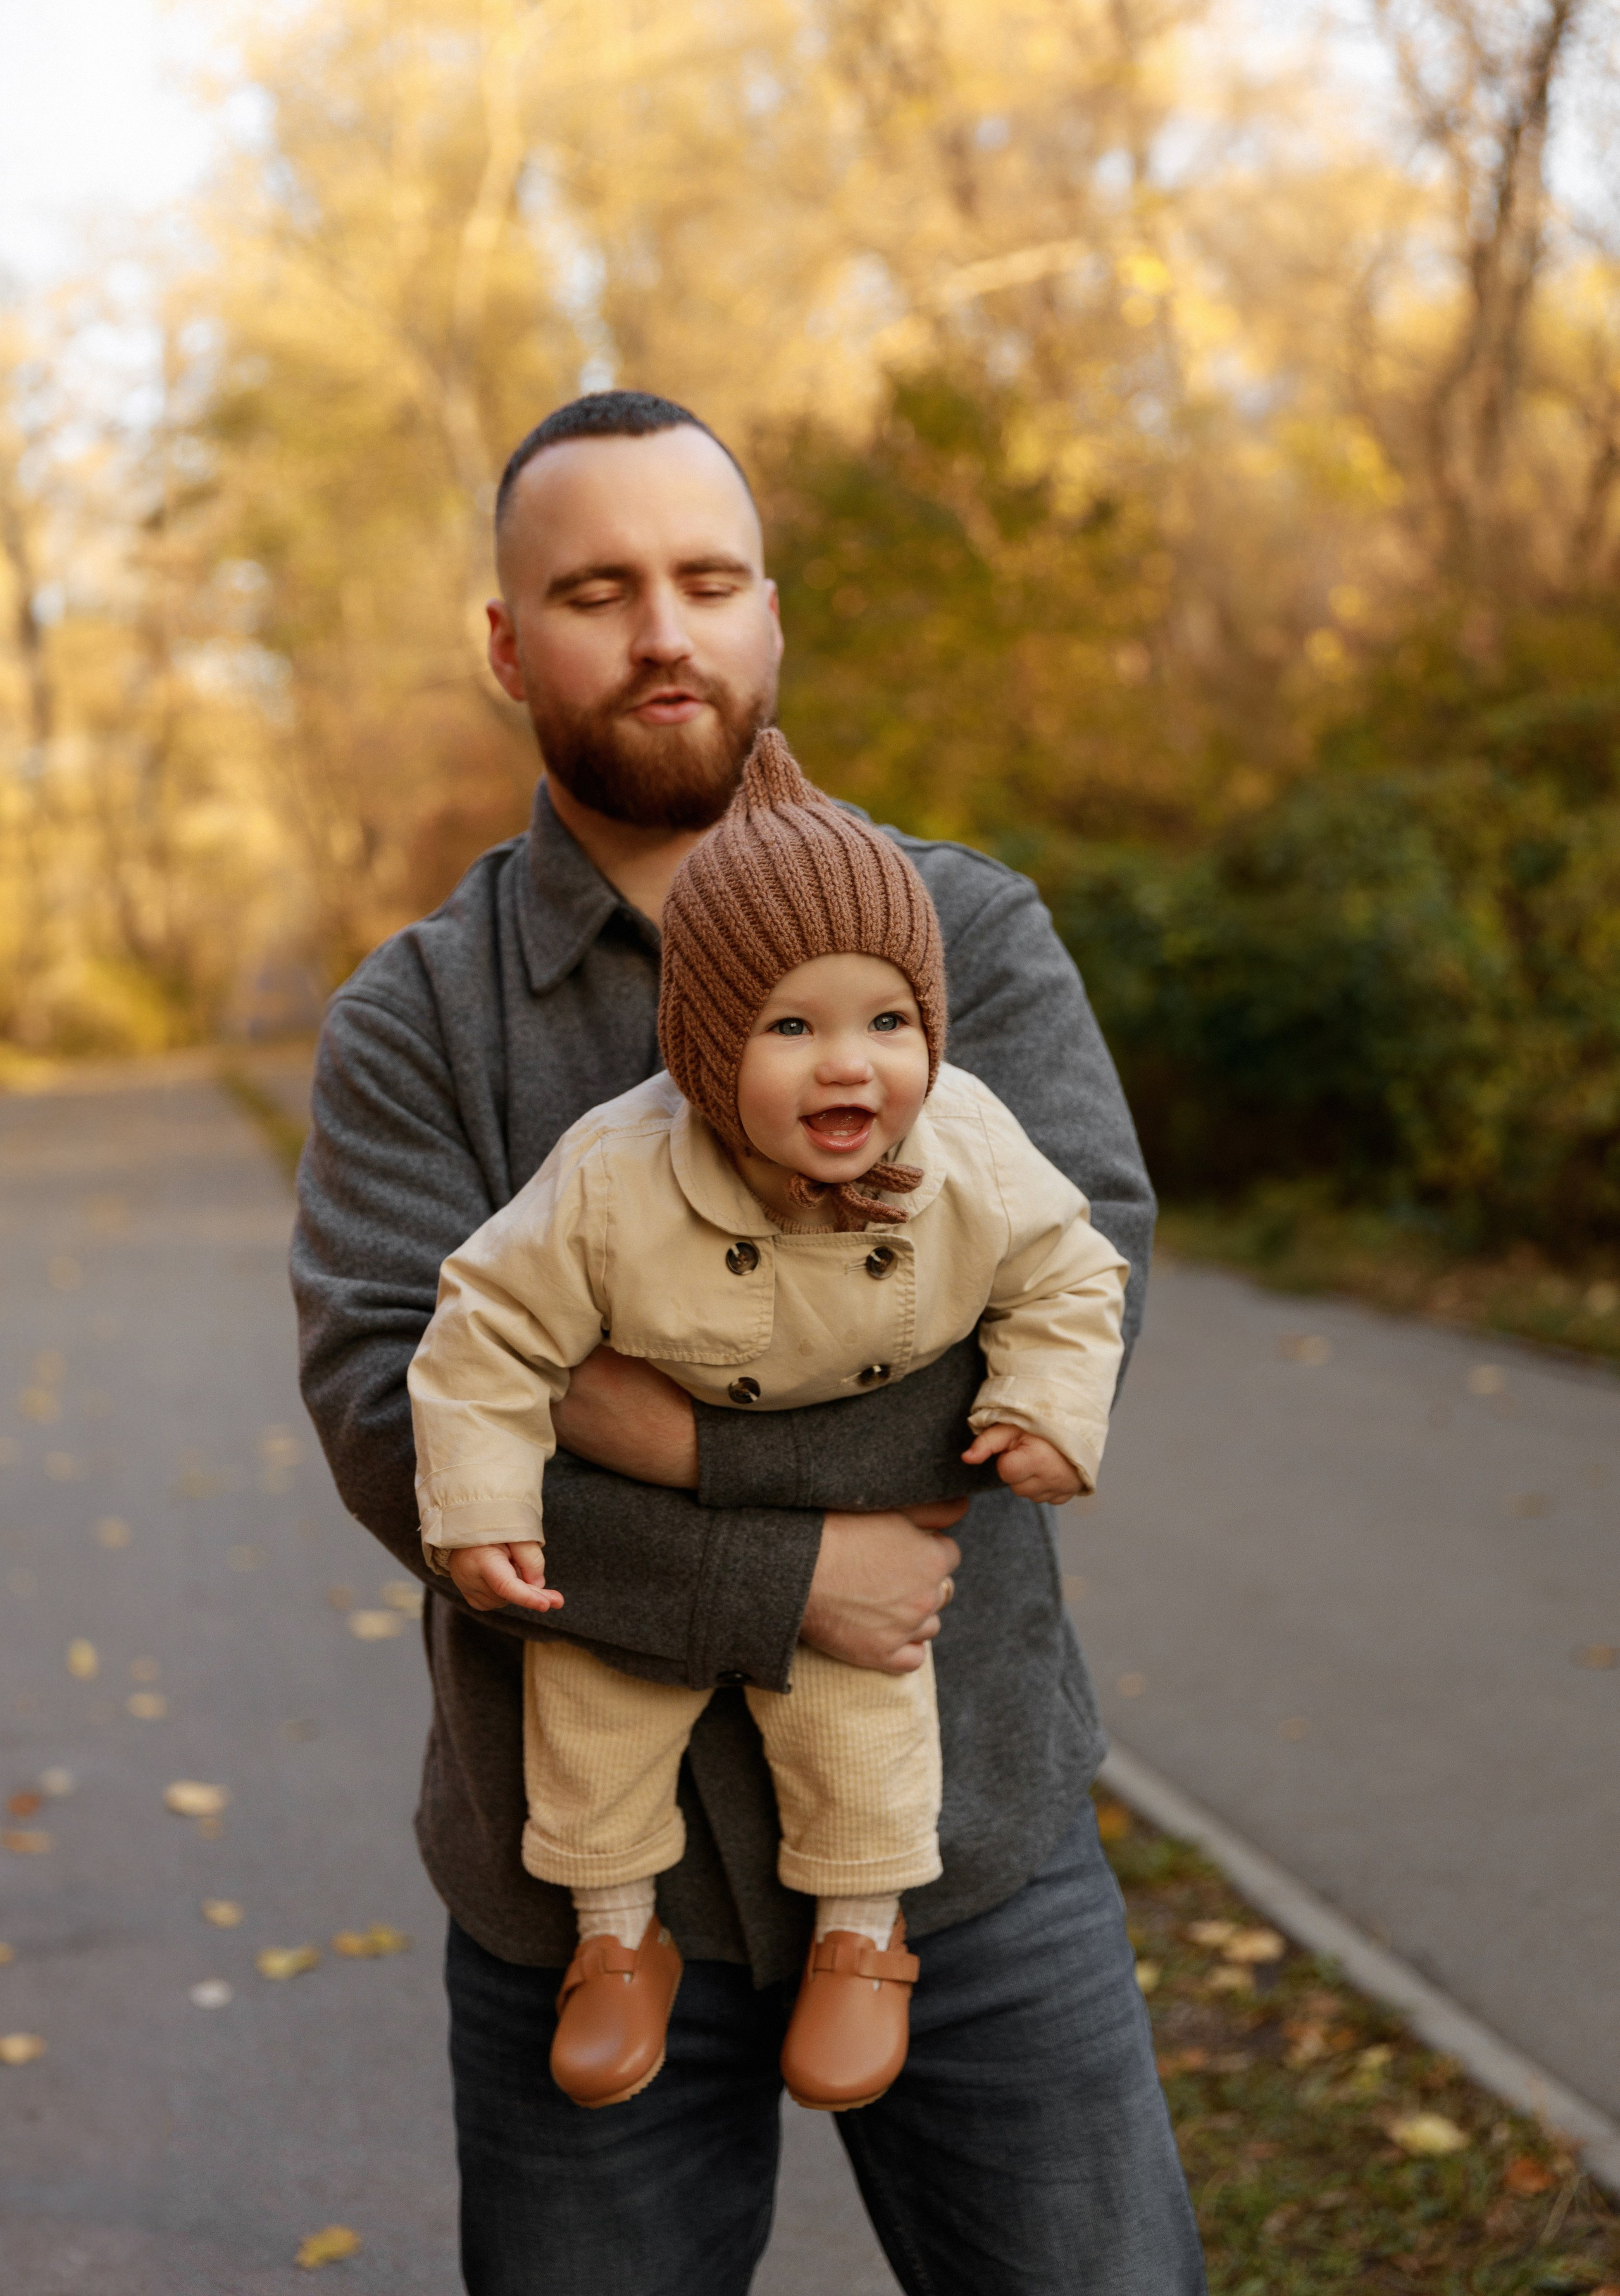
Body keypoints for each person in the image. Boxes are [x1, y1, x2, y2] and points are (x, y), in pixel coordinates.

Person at [292, 388, 1207, 2295]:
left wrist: (648, 1425)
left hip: (971, 1843)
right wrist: (794, 1564)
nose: (662, 633)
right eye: (598, 588)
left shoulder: (971, 929)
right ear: (504, 642)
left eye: (707, 579)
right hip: (580, 1891)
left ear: (771, 615)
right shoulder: (418, 1021)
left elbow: (1078, 1292)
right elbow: (399, 1418)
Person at [406, 727, 1130, 2117]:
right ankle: (615, 1935)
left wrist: (1043, 1398)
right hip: (646, 1552)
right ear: (699, 1047)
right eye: (788, 1027)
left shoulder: (966, 1146)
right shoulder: (615, 1178)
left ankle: (865, 1932)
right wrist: (485, 1501)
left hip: (851, 1540)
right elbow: (483, 1323)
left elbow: (1075, 1264)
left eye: (886, 1022)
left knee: (859, 1715)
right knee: (592, 1697)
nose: (846, 1067)